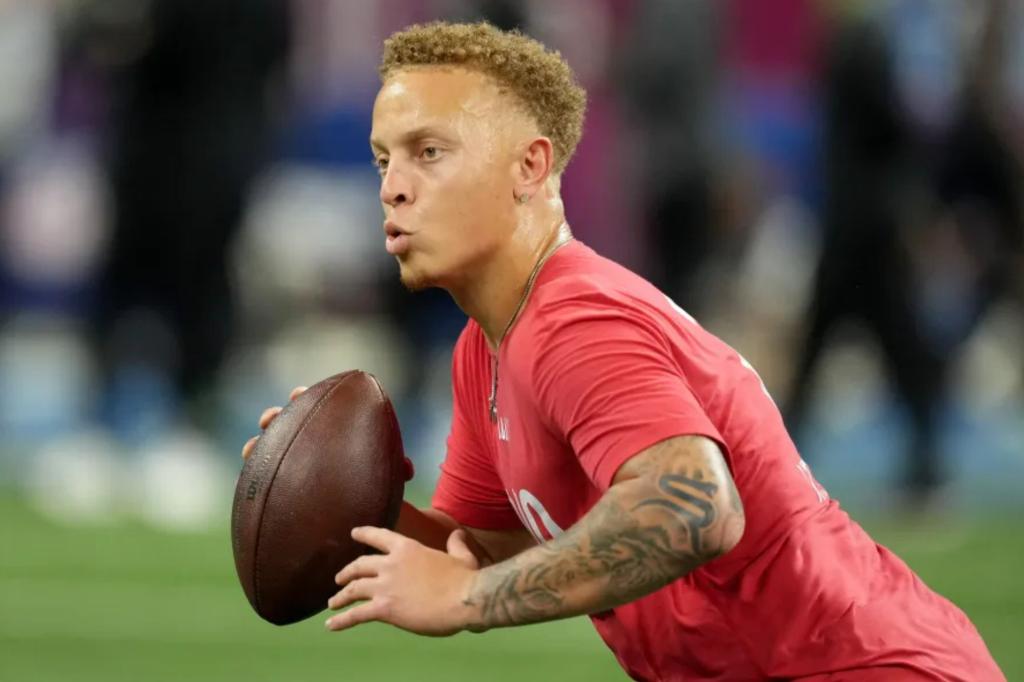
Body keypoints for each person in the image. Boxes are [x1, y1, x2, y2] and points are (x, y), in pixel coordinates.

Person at [242, 22, 1004, 681]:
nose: (393, 188)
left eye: (429, 151)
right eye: (384, 160)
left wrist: (467, 601)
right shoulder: (486, 347)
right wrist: (342, 504)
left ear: (529, 167)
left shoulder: (573, 320)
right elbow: (484, 550)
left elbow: (695, 510)